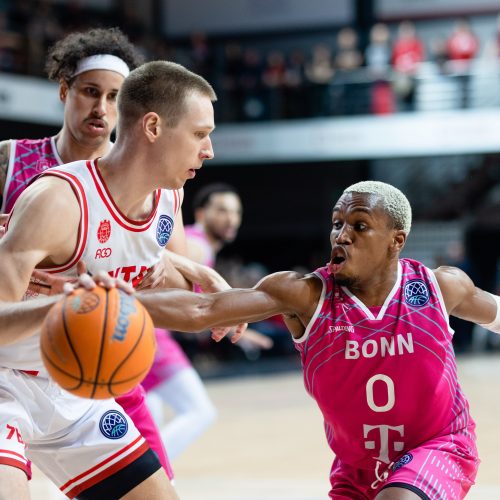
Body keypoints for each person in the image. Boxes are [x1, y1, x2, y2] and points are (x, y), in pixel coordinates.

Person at [133, 180, 496, 499]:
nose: (342, 235)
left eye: (360, 226)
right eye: (337, 224)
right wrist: (113, 300)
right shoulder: (305, 295)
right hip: (357, 470)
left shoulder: (438, 286)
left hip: (440, 445)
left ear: (395, 241)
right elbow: (203, 309)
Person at [0, 59, 220, 499]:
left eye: (115, 95)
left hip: (77, 374)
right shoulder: (35, 178)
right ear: (65, 92)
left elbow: (164, 275)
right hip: (9, 368)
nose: (102, 107)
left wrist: (203, 275)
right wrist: (64, 301)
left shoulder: (158, 193)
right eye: (90, 91)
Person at [143, 183, 243, 460]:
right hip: (152, 335)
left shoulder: (190, 241)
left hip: (140, 331)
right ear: (201, 214)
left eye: (236, 212)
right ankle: (148, 473)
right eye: (222, 210)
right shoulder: (198, 246)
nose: (231, 218)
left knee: (148, 426)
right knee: (200, 411)